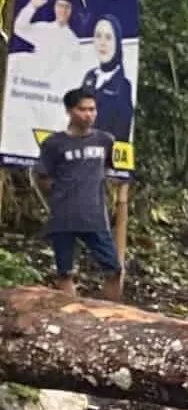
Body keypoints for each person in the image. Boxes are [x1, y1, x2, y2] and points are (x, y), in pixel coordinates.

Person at [33, 88, 123, 301]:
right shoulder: (54, 144)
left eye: (92, 109)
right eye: (82, 109)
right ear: (69, 111)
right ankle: (72, 323)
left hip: (94, 216)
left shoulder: (105, 140)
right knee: (65, 273)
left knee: (114, 270)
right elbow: (43, 176)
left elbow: (109, 169)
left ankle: (110, 316)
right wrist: (58, 196)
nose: (88, 114)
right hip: (63, 216)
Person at [12, 0, 90, 88]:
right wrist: (32, 6)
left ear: (71, 10)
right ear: (55, 7)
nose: (63, 10)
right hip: (29, 84)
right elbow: (19, 28)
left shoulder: (72, 40)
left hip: (52, 90)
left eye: (66, 7)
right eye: (60, 6)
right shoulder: (44, 29)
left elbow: (73, 71)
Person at [79, 19, 134, 142]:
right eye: (98, 36)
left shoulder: (123, 86)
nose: (102, 43)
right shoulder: (90, 76)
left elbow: (121, 135)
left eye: (108, 37)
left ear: (117, 43)